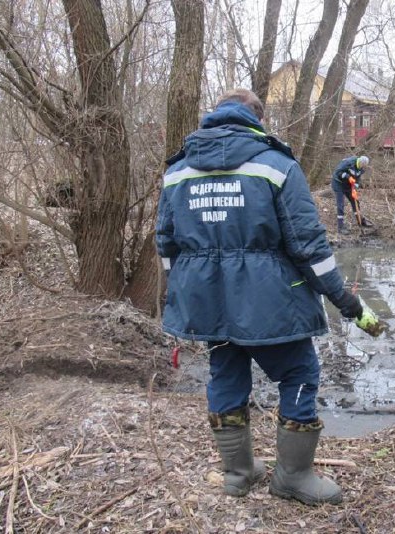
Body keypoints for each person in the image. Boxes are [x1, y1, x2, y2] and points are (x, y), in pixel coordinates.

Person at [155, 88, 378, 506]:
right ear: (256, 118)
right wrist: (346, 302)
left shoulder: (178, 171)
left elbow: (166, 246)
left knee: (225, 370)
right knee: (298, 373)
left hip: (207, 303)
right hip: (270, 304)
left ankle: (238, 474)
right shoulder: (276, 165)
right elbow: (308, 247)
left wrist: (185, 297)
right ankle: (292, 475)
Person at [331, 154, 374, 233]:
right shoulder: (348, 162)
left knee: (355, 201)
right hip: (338, 183)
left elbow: (358, 178)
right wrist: (348, 177)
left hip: (349, 185)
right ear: (360, 162)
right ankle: (340, 227)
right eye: (363, 165)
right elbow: (338, 172)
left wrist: (355, 187)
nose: (363, 167)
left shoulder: (362, 169)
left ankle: (360, 221)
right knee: (341, 204)